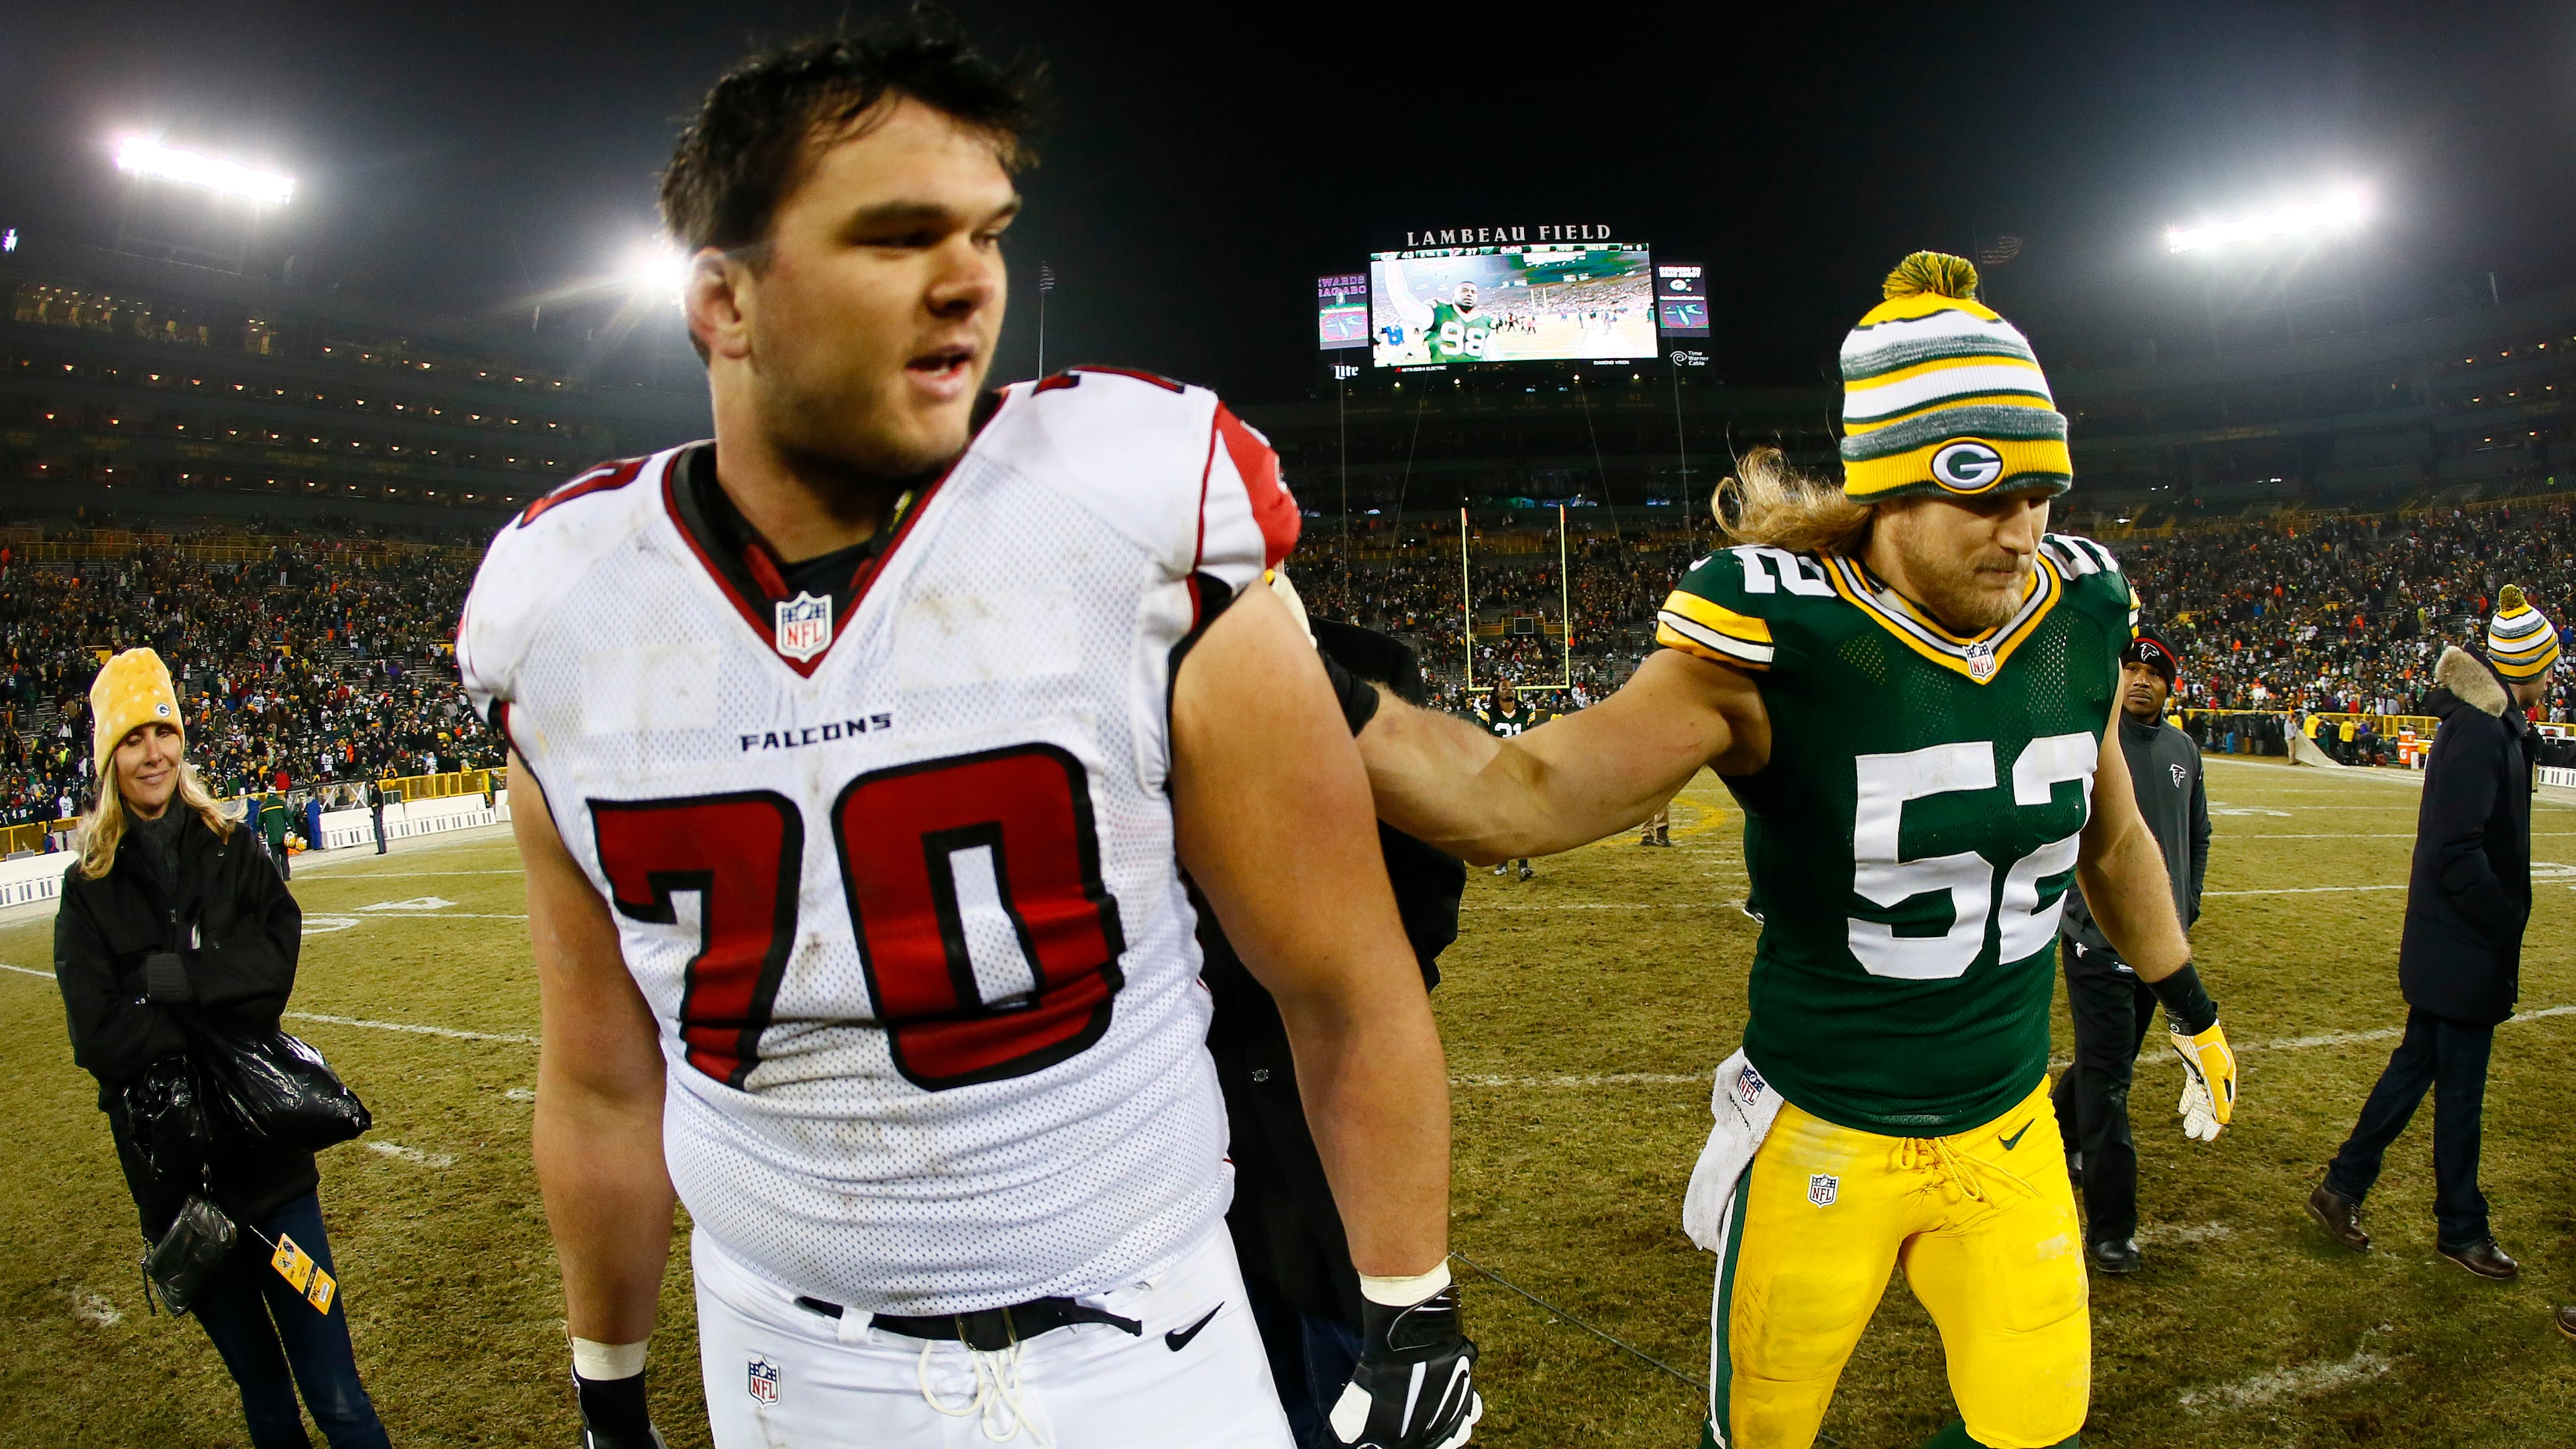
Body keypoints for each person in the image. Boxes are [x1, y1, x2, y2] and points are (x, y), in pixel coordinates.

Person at [458, 25, 1476, 1449]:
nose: (968, 282)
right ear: (722, 302)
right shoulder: (558, 606)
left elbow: (1345, 983)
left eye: (987, 232)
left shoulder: (1128, 515)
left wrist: (1410, 1301)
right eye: (894, 237)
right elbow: (601, 1076)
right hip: (784, 1361)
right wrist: (608, 1391)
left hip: (1147, 1339)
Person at [1354, 253, 2237, 1449]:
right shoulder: (1781, 631)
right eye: (1985, 493)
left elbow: (2111, 830)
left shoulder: (2082, 610)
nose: (2022, 529)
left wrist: (2186, 999)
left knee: (2037, 1427)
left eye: (2043, 492)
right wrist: (1315, 698)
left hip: (2009, 1128)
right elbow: (1521, 794)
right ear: (1887, 491)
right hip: (1826, 1134)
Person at [54, 649, 390, 1449]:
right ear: (109, 758)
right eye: (133, 738)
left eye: (163, 731)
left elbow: (271, 969)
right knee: (268, 1404)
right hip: (184, 1200)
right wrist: (215, 1000)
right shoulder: (87, 889)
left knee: (337, 1394)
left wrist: (164, 979)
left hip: (273, 1181)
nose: (153, 753)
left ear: (183, 740)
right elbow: (99, 1039)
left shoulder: (231, 848)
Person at [1206, 600, 1466, 1448]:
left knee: (1338, 1341)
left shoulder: (1363, 666)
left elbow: (1431, 884)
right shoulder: (1154, 667)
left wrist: (1358, 983)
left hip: (1321, 1090)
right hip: (1198, 1094)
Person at [2308, 586, 2557, 1281]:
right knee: (2459, 1093)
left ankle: (2341, 1188)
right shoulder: (2482, 731)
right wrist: (2503, 917)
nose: (2552, 680)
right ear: (2523, 668)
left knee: (2416, 1068)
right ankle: (2460, 1227)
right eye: (2546, 668)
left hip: (2453, 945)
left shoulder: (2491, 724)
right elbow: (2455, 851)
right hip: (2464, 947)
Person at [2052, 629, 2213, 1275]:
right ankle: (2112, 1230)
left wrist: (2187, 905)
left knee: (2101, 1067)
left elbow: (2198, 832)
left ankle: (2056, 1136)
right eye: (2132, 669)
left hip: (2158, 952)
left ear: (2171, 687)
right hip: (2094, 944)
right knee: (2112, 1086)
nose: (2142, 679)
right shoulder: (2092, 741)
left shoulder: (2183, 750)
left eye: (2156, 673)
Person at [1468, 680, 1546, 878]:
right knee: (1502, 818)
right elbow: (1481, 738)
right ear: (1497, 693)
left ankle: (1523, 864)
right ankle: (1503, 861)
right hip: (1499, 769)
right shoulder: (1488, 712)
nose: (1510, 689)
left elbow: (1531, 738)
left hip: (1519, 767)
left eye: (1512, 686)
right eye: (1504, 687)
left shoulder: (1526, 710)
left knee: (1523, 817)